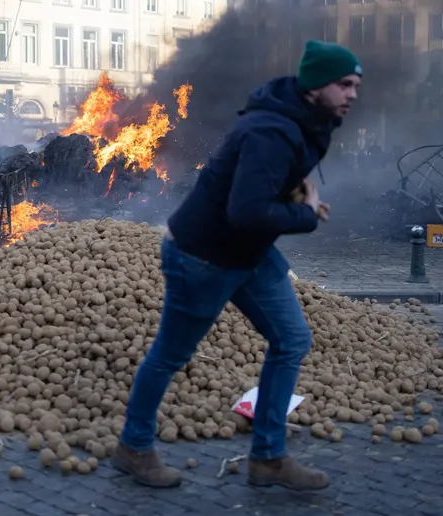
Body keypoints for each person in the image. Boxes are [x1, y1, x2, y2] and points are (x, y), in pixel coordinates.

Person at [111, 40, 361, 490]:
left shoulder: (306, 118)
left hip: (248, 252)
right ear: (315, 86)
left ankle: (268, 458)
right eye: (344, 84)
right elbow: (245, 211)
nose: (352, 93)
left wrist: (299, 186)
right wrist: (308, 214)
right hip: (202, 256)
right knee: (171, 355)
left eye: (356, 85)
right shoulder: (271, 131)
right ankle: (133, 447)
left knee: (291, 339)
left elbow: (281, 174)